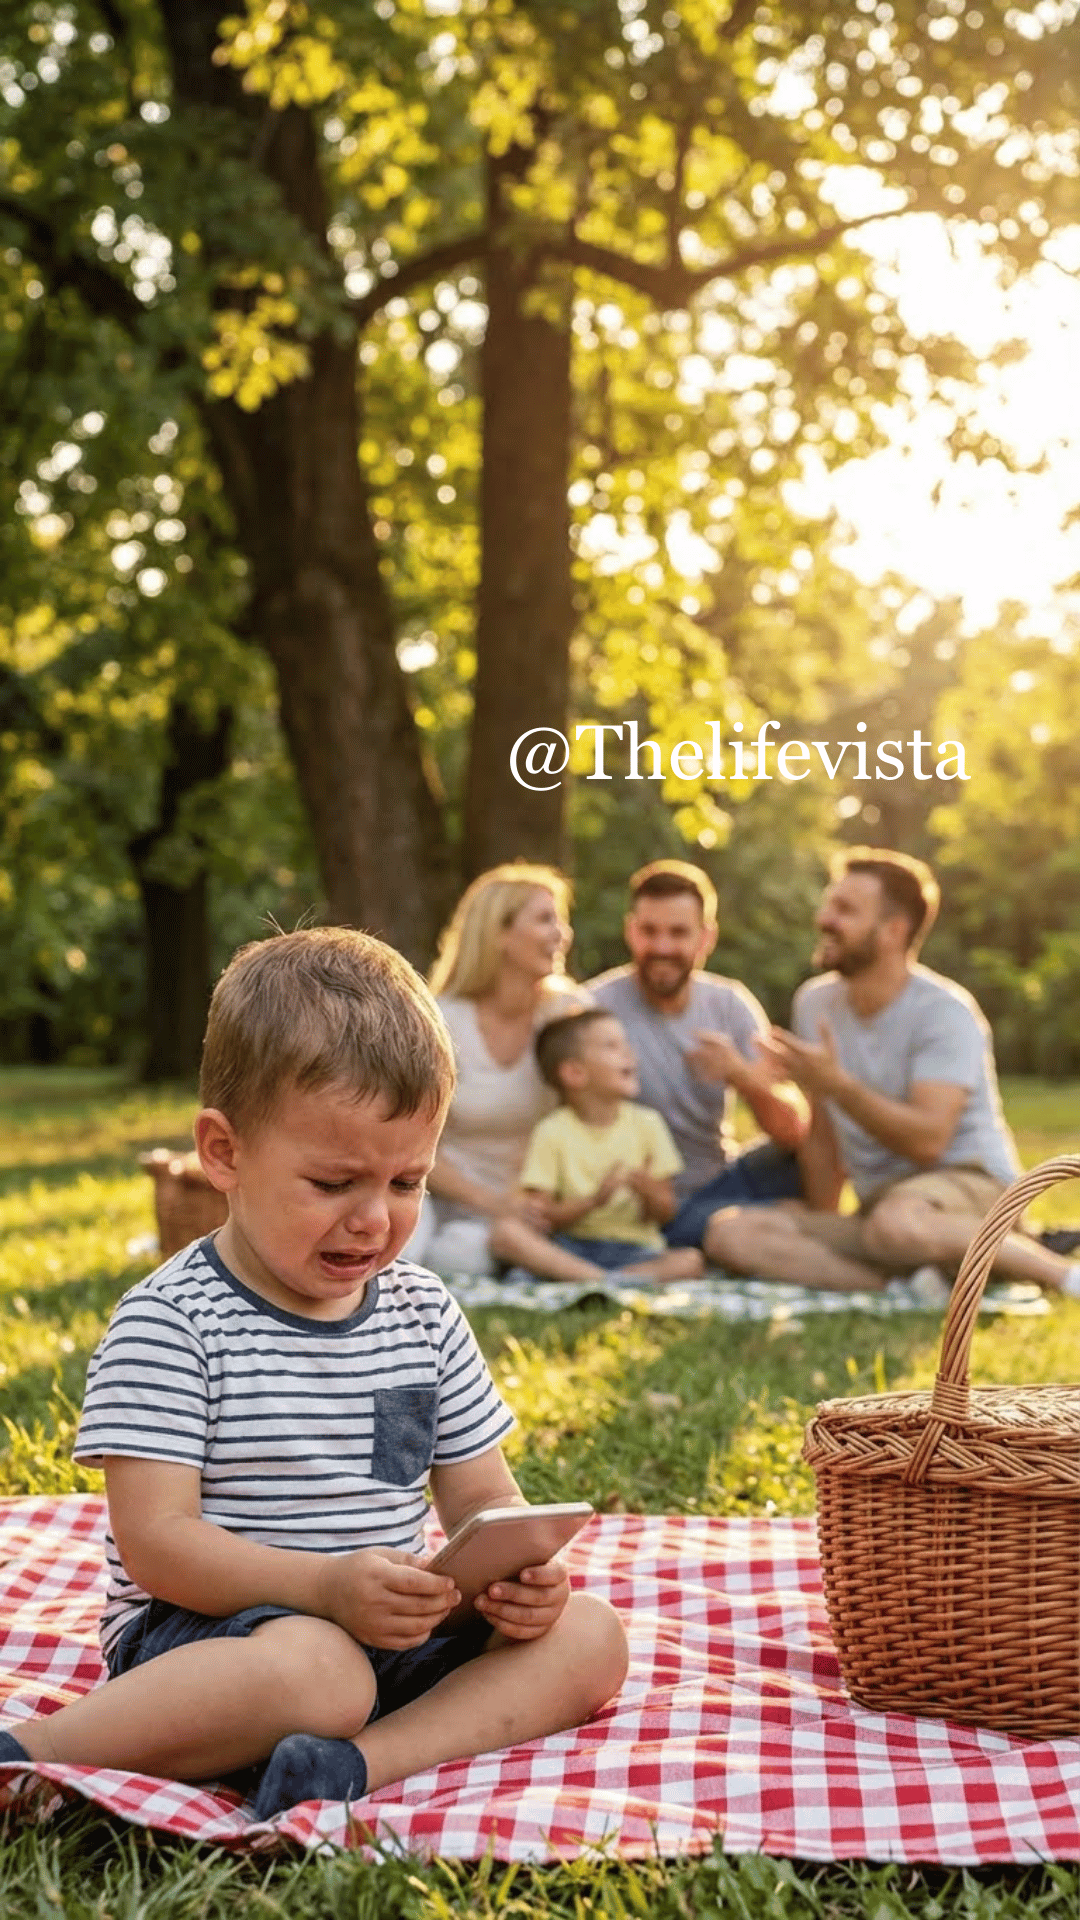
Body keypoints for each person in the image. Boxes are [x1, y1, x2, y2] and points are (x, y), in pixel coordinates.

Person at [0, 929, 628, 1818]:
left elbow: (486, 1506)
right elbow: (158, 1544)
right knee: (320, 1672)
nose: (373, 1220)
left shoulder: (421, 1313)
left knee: (592, 1636)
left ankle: (351, 1767)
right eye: (333, 1183)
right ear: (223, 1153)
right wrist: (323, 1590)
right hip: (214, 1637)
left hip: (387, 1626)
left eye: (408, 1182)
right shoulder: (173, 1321)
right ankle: (38, 1754)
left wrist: (520, 1579)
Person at [703, 848, 1080, 1298]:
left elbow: (929, 1141)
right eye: (829, 903)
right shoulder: (815, 1002)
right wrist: (817, 1222)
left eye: (845, 910)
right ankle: (901, 1289)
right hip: (882, 1212)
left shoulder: (945, 1012)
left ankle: (1059, 1272)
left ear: (893, 931)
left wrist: (839, 1086)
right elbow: (824, 1139)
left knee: (897, 1224)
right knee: (729, 1231)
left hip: (972, 1190)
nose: (824, 918)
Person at [585, 861, 808, 1250]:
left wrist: (741, 1073)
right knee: (734, 1230)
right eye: (649, 931)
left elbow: (790, 1131)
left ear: (706, 938)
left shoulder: (729, 1005)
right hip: (630, 1200)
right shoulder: (593, 1007)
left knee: (814, 1144)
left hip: (717, 1183)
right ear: (630, 930)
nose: (663, 947)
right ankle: (756, 1231)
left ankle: (751, 1229)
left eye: (678, 933)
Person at [409, 864, 585, 1277]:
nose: (562, 933)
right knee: (425, 1255)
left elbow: (591, 1117)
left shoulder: (570, 1014)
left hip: (533, 1208)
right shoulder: (443, 1020)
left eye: (560, 919)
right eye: (545, 919)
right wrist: (493, 1201)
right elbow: (412, 1139)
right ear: (500, 935)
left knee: (466, 1258)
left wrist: (539, 1200)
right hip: (439, 1194)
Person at [489, 1009, 705, 1286]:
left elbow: (666, 1211)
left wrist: (649, 1192)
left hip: (635, 1251)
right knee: (506, 1234)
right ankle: (604, 1280)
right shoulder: (552, 1131)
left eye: (625, 1044)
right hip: (572, 1246)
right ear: (575, 1073)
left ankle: (590, 1280)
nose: (629, 1053)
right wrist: (594, 1201)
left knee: (691, 1261)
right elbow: (545, 1216)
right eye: (612, 1046)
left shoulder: (648, 1124)